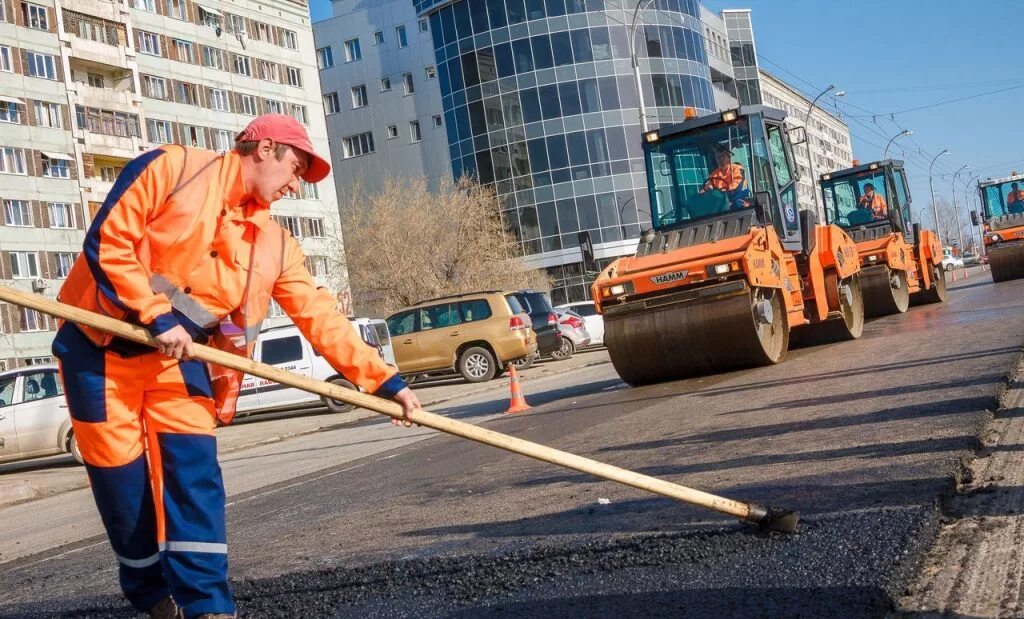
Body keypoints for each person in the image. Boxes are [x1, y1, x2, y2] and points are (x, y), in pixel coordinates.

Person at [52, 114, 422, 619]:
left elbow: (320, 316)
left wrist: (385, 381)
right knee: (125, 493)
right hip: (98, 350)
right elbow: (108, 241)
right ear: (264, 148)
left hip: (177, 362)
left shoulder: (274, 245)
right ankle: (152, 595)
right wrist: (156, 314)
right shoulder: (171, 169)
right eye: (297, 167)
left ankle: (208, 606)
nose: (296, 184)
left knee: (195, 478)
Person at [700, 145, 750, 209]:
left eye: (723, 156)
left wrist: (719, 193)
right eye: (718, 157)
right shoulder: (714, 174)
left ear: (728, 157)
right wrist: (705, 190)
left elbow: (737, 188)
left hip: (737, 199)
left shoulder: (737, 169)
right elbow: (706, 187)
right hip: (721, 202)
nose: (721, 159)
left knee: (738, 205)